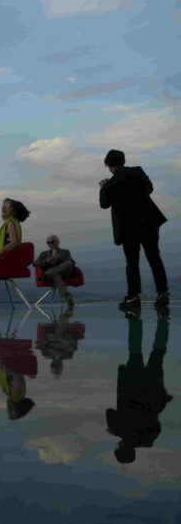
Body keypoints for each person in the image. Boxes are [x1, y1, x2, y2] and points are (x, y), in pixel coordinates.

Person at [99, 150, 169, 309]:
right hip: (148, 222)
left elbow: (104, 204)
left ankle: (133, 297)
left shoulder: (111, 183)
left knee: (132, 263)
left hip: (128, 227)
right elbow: (150, 188)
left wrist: (103, 187)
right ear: (123, 161)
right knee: (154, 258)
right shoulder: (138, 171)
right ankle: (163, 292)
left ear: (108, 164)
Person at [106, 307, 173, 464]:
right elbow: (109, 412)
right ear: (120, 447)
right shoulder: (118, 429)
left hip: (153, 391)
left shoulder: (149, 439)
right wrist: (111, 430)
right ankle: (134, 319)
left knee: (158, 353)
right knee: (135, 350)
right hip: (132, 385)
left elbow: (157, 424)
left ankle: (163, 322)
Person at [33, 234, 76, 306]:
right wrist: (47, 260)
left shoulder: (65, 252)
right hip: (54, 274)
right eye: (48, 242)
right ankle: (69, 300)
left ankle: (47, 274)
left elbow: (72, 262)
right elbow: (35, 263)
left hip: (64, 272)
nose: (50, 244)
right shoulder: (44, 254)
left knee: (69, 262)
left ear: (57, 242)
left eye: (52, 242)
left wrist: (61, 260)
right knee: (56, 275)